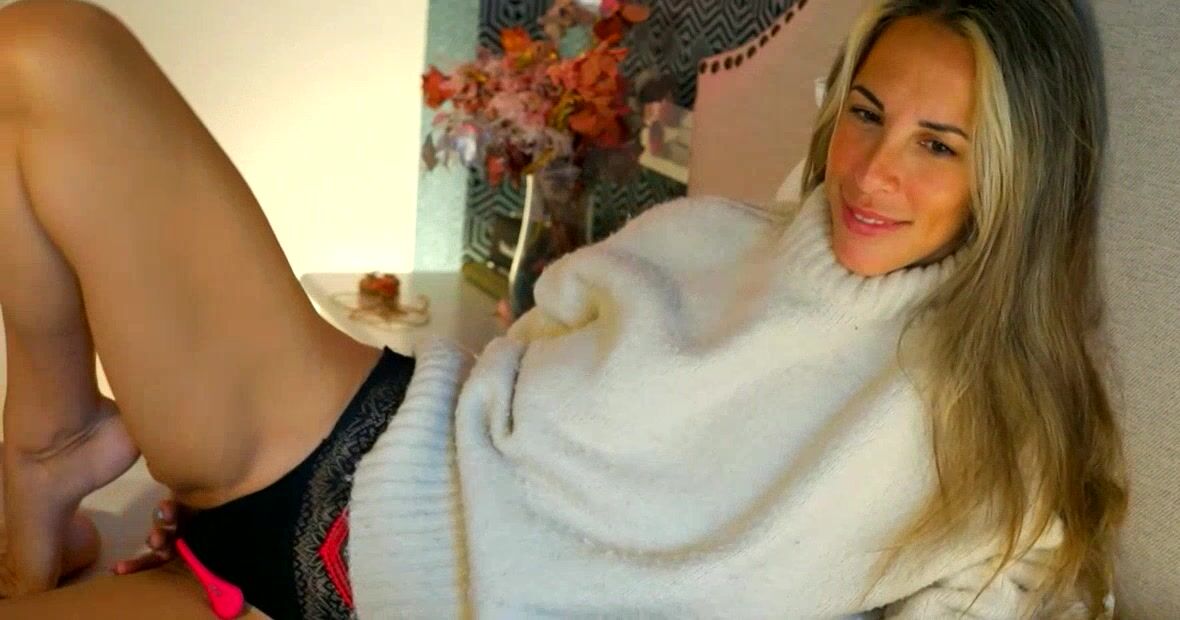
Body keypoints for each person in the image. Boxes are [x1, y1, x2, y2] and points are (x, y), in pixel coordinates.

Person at [0, 0, 1127, 617]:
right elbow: (519, 368)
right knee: (40, 52)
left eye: (939, 145)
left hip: (365, 601)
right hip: (348, 449)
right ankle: (54, 444)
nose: (873, 172)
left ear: (1020, 176)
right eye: (868, 115)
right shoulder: (709, 235)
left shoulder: (1001, 435)